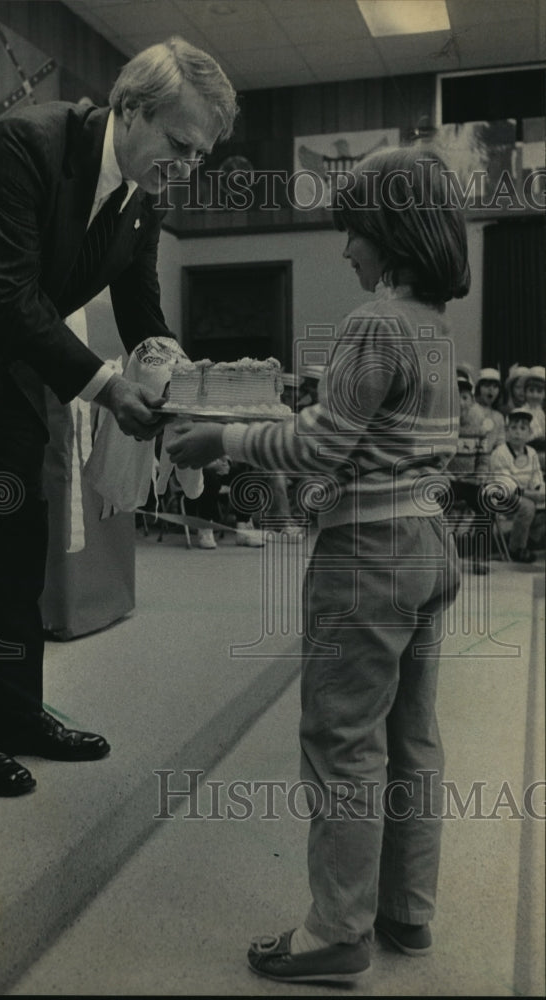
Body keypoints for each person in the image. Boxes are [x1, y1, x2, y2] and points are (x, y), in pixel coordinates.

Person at [0, 37, 237, 797]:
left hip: (3, 345)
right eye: (180, 144)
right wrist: (107, 387)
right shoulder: (27, 143)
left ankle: (11, 707)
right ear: (130, 110)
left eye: (201, 155)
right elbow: (8, 292)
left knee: (18, 520)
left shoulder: (146, 194)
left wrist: (183, 385)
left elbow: (141, 310)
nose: (187, 166)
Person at [167, 146, 468, 985]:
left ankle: (336, 931)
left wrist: (221, 435)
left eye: (354, 233)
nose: (345, 251)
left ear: (391, 231)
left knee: (341, 742)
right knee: (411, 740)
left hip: (366, 558)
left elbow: (321, 446)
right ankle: (406, 910)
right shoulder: (435, 329)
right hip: (429, 544)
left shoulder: (374, 323)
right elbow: (370, 436)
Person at [446, 373, 493, 574]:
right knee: (433, 505)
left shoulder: (479, 431)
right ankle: (443, 555)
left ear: (471, 401)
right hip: (447, 482)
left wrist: (480, 474)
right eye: (456, 397)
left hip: (470, 483)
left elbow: (483, 458)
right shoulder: (443, 429)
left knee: (486, 505)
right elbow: (434, 458)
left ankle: (480, 556)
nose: (460, 402)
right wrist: (444, 473)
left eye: (464, 397)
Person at [488, 407, 545, 563]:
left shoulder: (531, 452)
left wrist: (539, 490)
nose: (517, 432)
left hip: (527, 494)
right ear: (507, 431)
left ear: (528, 433)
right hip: (501, 496)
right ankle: (516, 549)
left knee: (537, 507)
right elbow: (506, 484)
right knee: (527, 506)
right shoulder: (500, 452)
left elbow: (536, 476)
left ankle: (529, 541)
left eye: (522, 428)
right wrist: (533, 495)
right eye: (513, 428)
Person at [474, 367, 505, 451]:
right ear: (478, 388)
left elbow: (500, 443)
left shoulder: (499, 417)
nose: (491, 390)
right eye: (487, 386)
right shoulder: (471, 410)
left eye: (495, 386)